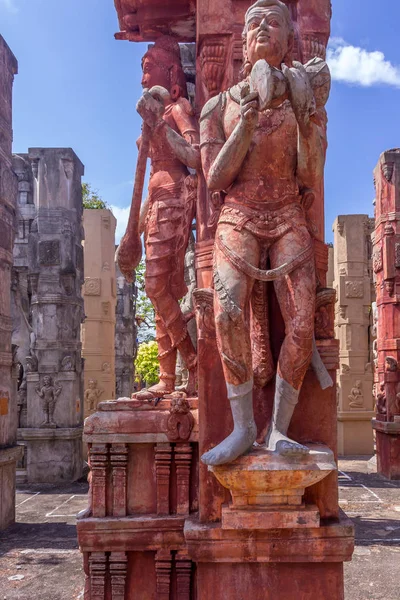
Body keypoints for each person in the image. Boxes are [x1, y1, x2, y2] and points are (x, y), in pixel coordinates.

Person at [200, 0, 330, 465]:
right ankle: (241, 427)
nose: (262, 28)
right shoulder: (219, 106)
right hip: (238, 214)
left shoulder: (305, 99)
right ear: (241, 40)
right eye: (254, 21)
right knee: (228, 310)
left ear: (287, 38)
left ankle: (278, 429)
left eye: (274, 21)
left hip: (288, 212)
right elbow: (215, 177)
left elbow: (310, 172)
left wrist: (305, 113)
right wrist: (247, 120)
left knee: (300, 321)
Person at [118, 36, 201, 399]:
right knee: (159, 293)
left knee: (156, 286)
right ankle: (168, 379)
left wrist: (161, 126)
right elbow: (143, 179)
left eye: (150, 65)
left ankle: (194, 362)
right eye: (142, 67)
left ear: (170, 72)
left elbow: (197, 157)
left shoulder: (177, 110)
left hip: (174, 197)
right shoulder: (150, 116)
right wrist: (132, 229)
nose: (143, 73)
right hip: (154, 202)